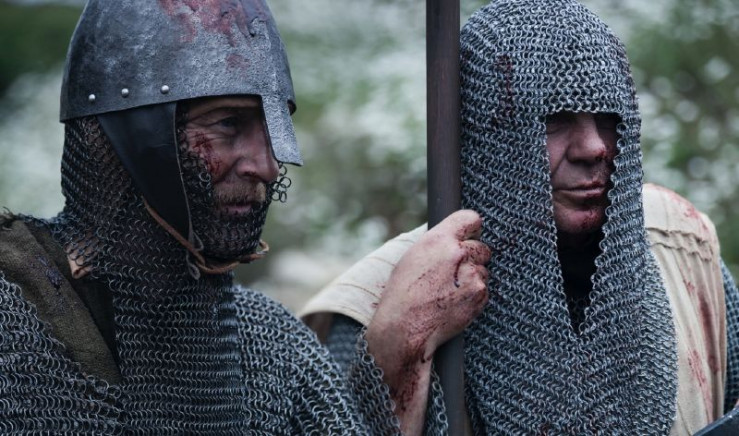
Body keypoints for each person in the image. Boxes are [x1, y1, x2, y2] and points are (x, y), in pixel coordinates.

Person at [0, 0, 490, 433]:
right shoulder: (14, 322)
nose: (267, 165)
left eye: (271, 128)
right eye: (228, 123)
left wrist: (401, 344)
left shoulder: (273, 352)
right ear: (128, 135)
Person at [300, 0, 739, 434]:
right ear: (487, 135)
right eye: (555, 120)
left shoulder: (683, 251)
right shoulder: (374, 308)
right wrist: (401, 345)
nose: (594, 147)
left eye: (607, 118)